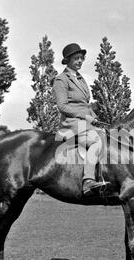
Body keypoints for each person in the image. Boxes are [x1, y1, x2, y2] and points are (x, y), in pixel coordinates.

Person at [52, 43, 107, 195]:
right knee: (95, 141)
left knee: (107, 137)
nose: (80, 61)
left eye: (81, 58)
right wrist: (85, 116)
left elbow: (84, 105)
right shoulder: (61, 80)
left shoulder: (81, 79)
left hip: (86, 121)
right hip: (71, 123)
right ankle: (88, 181)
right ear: (67, 60)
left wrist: (94, 113)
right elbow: (62, 107)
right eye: (76, 58)